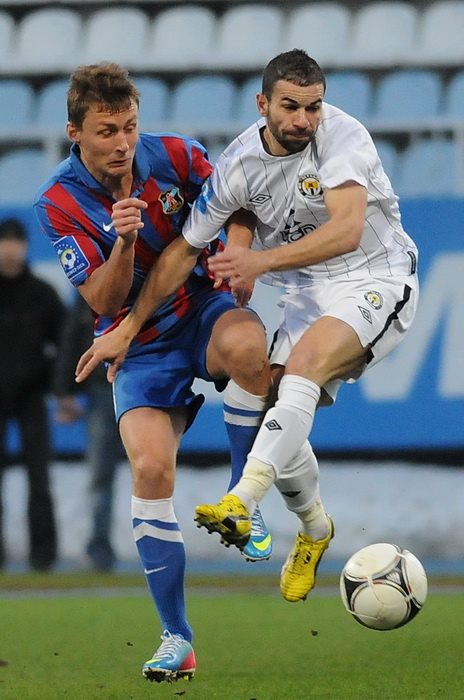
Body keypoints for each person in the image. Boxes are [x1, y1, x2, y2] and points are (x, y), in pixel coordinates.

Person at [76, 50, 419, 606]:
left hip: (376, 276)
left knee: (302, 372)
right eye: (290, 106)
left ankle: (243, 498)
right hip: (308, 293)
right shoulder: (238, 164)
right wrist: (130, 325)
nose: (303, 119)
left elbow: (348, 230)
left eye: (313, 106)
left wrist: (256, 262)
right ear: (263, 104)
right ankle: (315, 529)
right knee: (265, 395)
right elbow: (184, 251)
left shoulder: (343, 136)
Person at [34, 63, 272, 683]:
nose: (122, 143)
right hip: (134, 346)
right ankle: (177, 637)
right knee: (150, 470)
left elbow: (241, 203)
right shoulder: (57, 203)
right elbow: (102, 300)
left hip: (199, 310)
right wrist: (121, 241)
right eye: (106, 131)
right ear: (75, 133)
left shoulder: (177, 156)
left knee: (248, 346)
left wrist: (237, 251)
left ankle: (243, 498)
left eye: (129, 126)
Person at [0, 217, 64, 571]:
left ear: (25, 247)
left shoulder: (42, 294)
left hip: (32, 395)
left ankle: (43, 556)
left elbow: (65, 345)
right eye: (5, 242)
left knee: (39, 477)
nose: (10, 249)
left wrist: (62, 390)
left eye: (16, 242)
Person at [53, 293, 125, 571]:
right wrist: (64, 390)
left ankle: (161, 547)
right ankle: (99, 549)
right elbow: (73, 335)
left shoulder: (152, 277)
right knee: (100, 475)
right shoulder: (93, 286)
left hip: (146, 382)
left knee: (154, 469)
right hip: (103, 388)